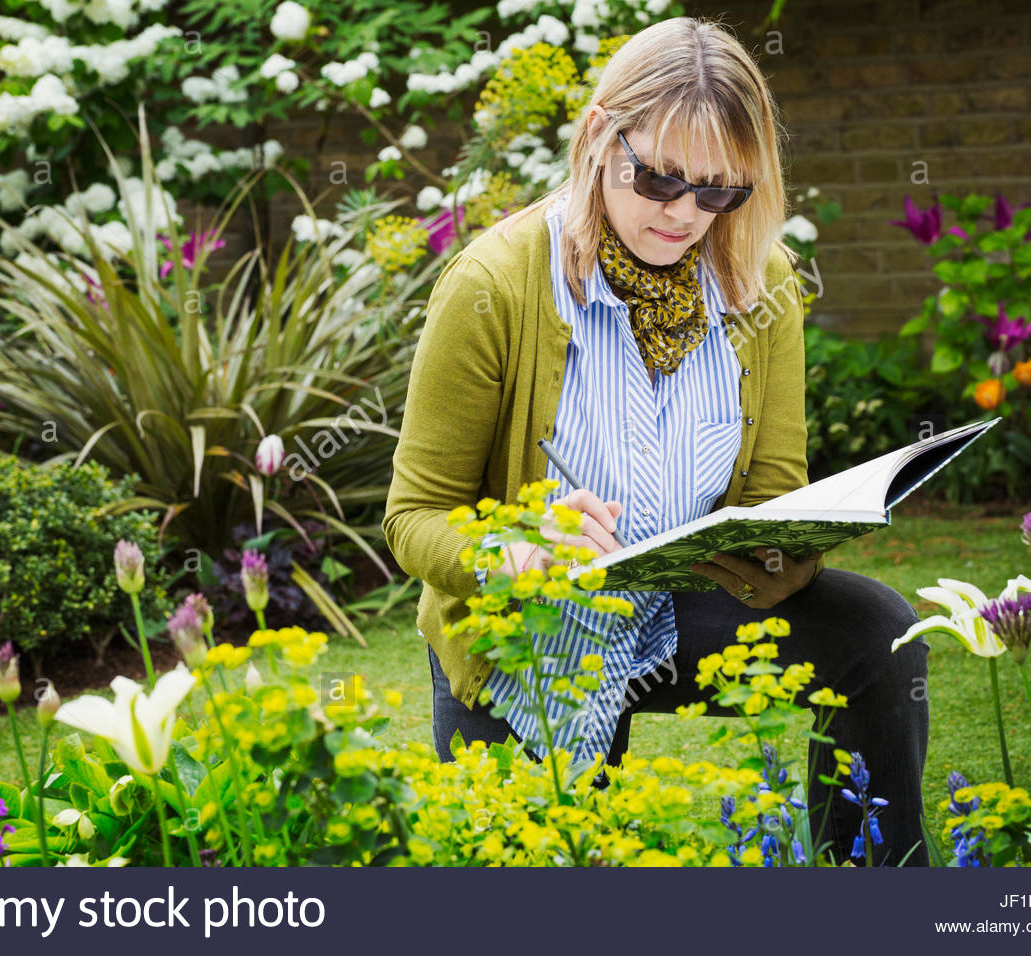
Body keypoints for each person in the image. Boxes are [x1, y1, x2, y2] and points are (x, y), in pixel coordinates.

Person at [381, 17, 929, 866]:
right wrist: (514, 548)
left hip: (684, 602)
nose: (684, 216)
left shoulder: (759, 280)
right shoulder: (493, 287)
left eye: (720, 192)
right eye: (661, 180)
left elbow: (774, 491)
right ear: (601, 134)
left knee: (879, 636)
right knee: (556, 867)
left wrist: (793, 544)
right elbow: (414, 515)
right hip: (533, 629)